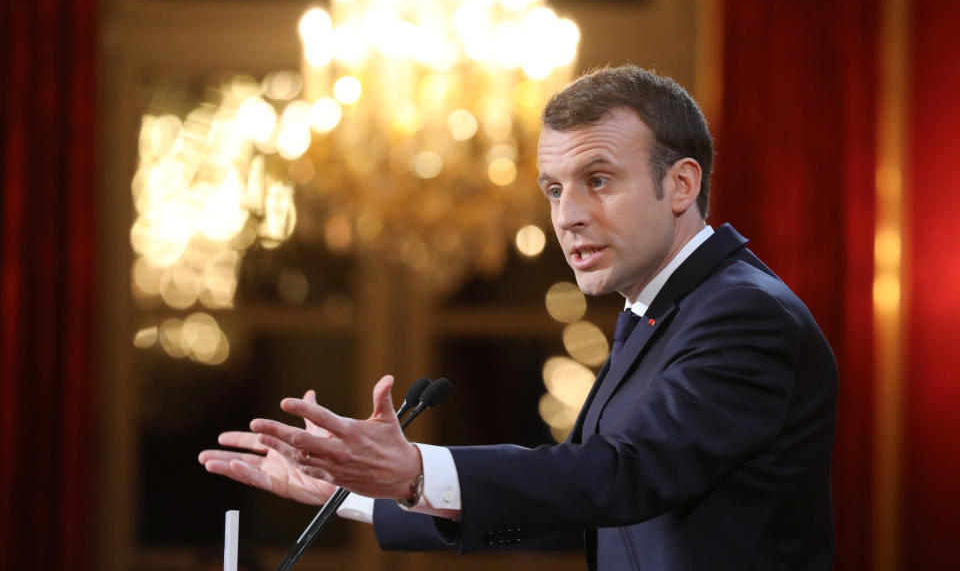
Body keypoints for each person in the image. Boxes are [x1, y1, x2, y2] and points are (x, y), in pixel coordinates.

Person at [199, 66, 838, 570]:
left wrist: (415, 469)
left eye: (598, 179)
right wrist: (357, 490)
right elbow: (570, 499)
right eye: (555, 189)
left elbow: (622, 476)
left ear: (680, 185)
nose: (567, 216)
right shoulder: (661, 311)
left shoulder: (743, 314)